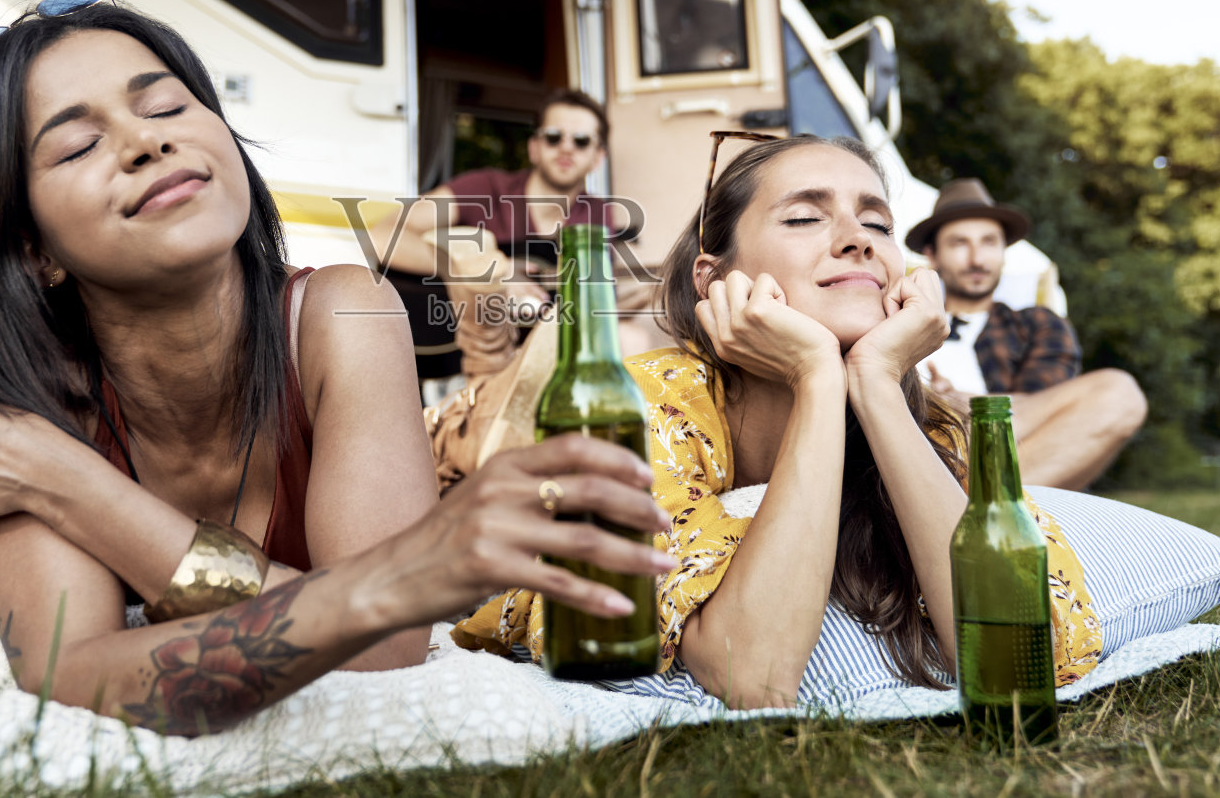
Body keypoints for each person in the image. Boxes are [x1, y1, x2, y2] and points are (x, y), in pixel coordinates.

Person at [0, 0, 673, 735]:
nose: (146, 141)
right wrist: (380, 587)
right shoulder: (19, 398)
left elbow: (386, 647)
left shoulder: (340, 316)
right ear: (32, 249)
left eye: (165, 106)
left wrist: (59, 478)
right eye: (79, 145)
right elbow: (73, 677)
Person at [448, 134, 1103, 709]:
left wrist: (876, 384)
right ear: (715, 277)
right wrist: (815, 375)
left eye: (878, 223)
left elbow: (1026, 664)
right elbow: (754, 676)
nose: (858, 239)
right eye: (803, 217)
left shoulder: (926, 425)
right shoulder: (646, 404)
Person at [365, 90, 640, 377]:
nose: (566, 148)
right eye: (553, 137)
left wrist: (634, 302)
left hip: (532, 349)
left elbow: (591, 303)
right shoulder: (484, 188)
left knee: (630, 338)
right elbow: (383, 236)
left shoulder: (596, 214)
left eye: (581, 141)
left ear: (598, 158)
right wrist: (491, 274)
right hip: (457, 344)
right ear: (534, 148)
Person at [907, 178, 1147, 490]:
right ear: (932, 255)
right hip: (909, 447)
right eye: (959, 243)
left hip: (997, 450)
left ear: (1004, 252)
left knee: (1119, 393)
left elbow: (1046, 408)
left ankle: (984, 503)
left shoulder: (1037, 324)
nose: (977, 259)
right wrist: (930, 401)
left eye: (989, 242)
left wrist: (964, 403)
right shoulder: (898, 318)